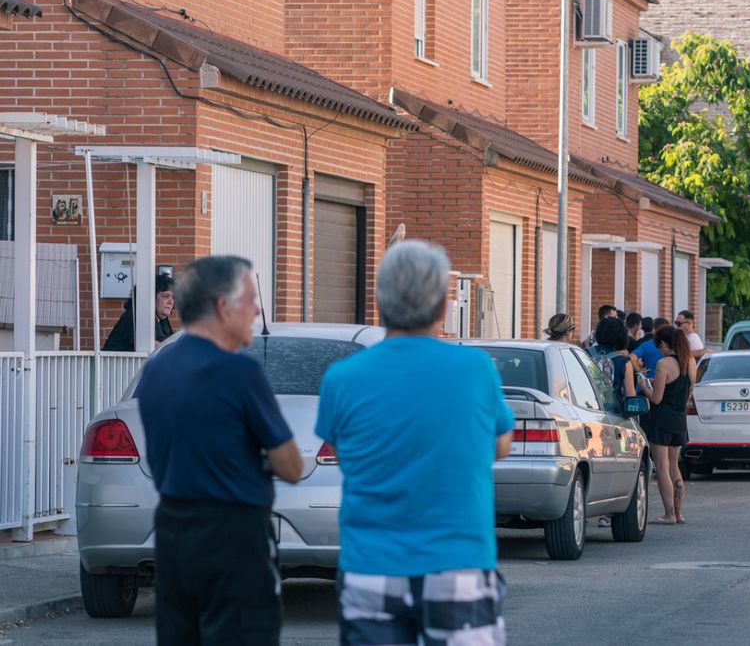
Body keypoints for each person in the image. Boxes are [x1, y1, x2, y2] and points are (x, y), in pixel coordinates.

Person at [316, 241, 513, 645]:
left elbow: (339, 451)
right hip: (458, 561)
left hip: (371, 564)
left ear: (379, 302)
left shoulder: (342, 377)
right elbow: (500, 445)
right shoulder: (475, 369)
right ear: (443, 306)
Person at [136, 256, 303, 645]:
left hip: (174, 530)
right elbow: (290, 465)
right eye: (250, 299)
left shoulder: (158, 370)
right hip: (234, 533)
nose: (257, 310)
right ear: (223, 307)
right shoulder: (240, 372)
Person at [639, 325, 695, 525]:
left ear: (664, 344)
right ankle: (679, 514)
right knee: (674, 466)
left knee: (661, 467)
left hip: (661, 419)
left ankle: (668, 514)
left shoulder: (664, 363)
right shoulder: (690, 362)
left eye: (659, 346)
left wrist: (644, 385)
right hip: (679, 419)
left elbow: (656, 398)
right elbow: (688, 391)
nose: (659, 351)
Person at [103, 273, 176, 352]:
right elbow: (150, 346)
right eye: (166, 296)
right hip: (116, 364)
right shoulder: (136, 316)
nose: (171, 302)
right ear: (150, 296)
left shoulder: (162, 320)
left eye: (173, 297)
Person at [594, 317, 636, 402]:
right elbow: (630, 397)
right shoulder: (624, 362)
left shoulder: (582, 353)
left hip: (583, 407)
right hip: (612, 411)